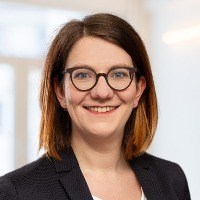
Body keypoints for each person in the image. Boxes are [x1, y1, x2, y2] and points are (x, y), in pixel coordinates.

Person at [0, 13, 190, 200]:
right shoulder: (17, 192)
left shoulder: (171, 179)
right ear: (60, 91)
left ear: (138, 90)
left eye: (118, 74)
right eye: (83, 75)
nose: (102, 92)